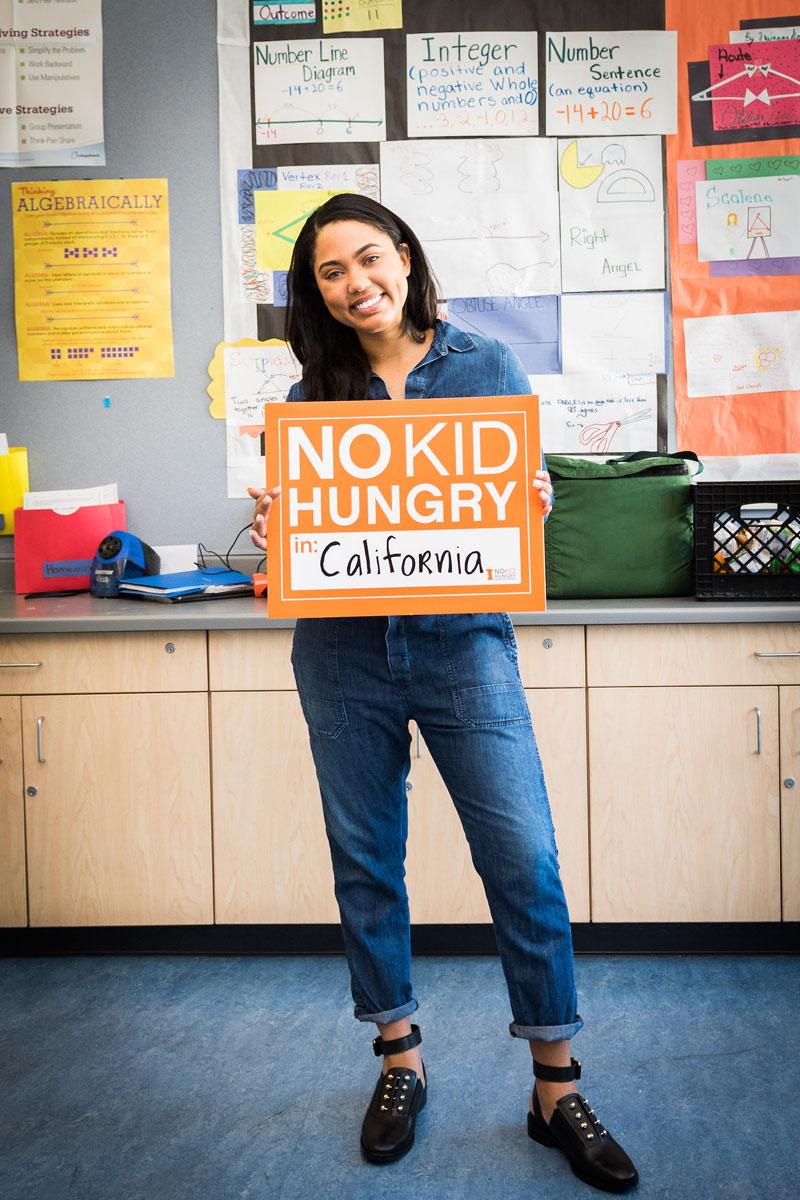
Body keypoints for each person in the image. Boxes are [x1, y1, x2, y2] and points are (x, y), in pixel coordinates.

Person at [249, 194, 638, 1193]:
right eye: (329, 273)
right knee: (366, 859)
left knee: (522, 857)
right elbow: (311, 541)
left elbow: (502, 521)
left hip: (464, 650)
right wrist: (278, 538)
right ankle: (398, 1060)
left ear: (407, 259)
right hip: (341, 656)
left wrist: (532, 500)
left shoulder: (484, 372)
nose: (353, 284)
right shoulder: (309, 397)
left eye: (367, 259)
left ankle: (554, 1084)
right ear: (314, 292)